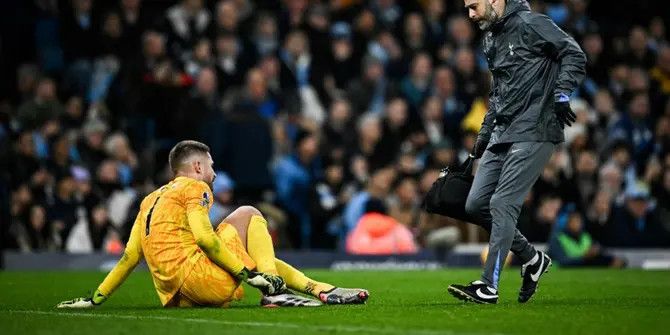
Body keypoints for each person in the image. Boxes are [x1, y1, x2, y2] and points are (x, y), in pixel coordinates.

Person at [56, 140, 368, 308]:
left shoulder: (149, 200)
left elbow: (129, 257)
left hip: (178, 298)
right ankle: (274, 291)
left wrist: (95, 298)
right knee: (247, 212)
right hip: (202, 280)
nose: (215, 174)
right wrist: (250, 277)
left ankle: (319, 289)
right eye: (211, 166)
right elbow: (206, 238)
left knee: (258, 257)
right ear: (196, 166)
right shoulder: (196, 187)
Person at [448, 0, 586, 304]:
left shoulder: (532, 23)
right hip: (502, 132)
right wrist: (482, 138)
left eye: (473, 7)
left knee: (502, 203)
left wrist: (562, 93)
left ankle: (488, 286)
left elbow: (573, 53)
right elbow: (497, 94)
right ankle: (532, 259)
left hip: (536, 128)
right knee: (475, 205)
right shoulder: (490, 37)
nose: (470, 15)